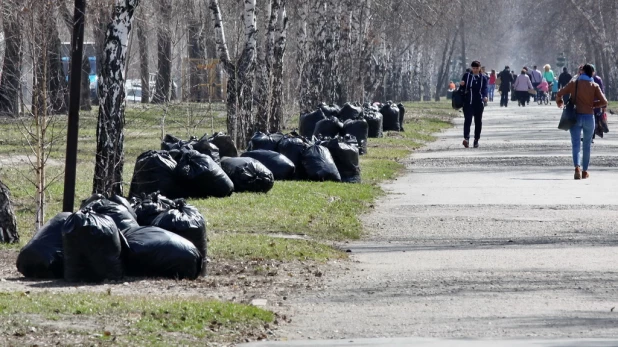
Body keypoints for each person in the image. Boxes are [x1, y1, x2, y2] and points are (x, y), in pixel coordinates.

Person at [556, 64, 608, 180]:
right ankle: (585, 171)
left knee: (575, 144)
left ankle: (577, 168)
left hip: (575, 117)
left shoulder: (574, 83)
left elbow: (560, 93)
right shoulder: (594, 85)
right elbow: (604, 101)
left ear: (582, 72)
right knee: (587, 145)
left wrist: (559, 101)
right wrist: (593, 105)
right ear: (592, 73)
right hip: (589, 117)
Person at [459, 60, 488, 148]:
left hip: (478, 103)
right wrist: (462, 85)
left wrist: (485, 96)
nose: (475, 70)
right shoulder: (467, 76)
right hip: (468, 102)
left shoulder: (483, 78)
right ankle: (466, 139)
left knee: (478, 122)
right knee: (467, 120)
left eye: (477, 68)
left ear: (480, 68)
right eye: (473, 68)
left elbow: (484, 89)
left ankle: (476, 140)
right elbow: (461, 89)